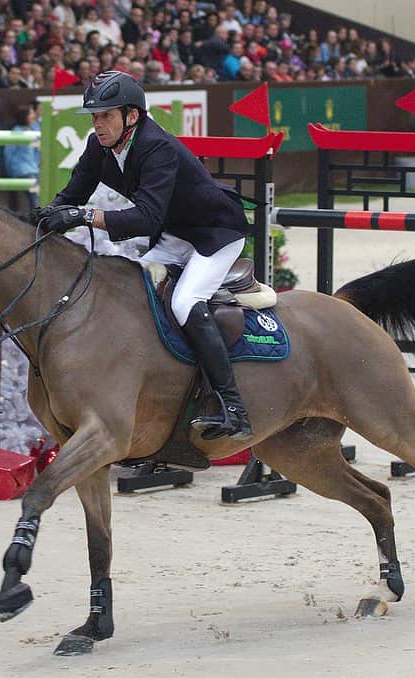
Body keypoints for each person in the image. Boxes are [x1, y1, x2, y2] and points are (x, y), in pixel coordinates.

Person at [32, 71, 253, 442]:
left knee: (184, 302)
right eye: (94, 117)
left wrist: (83, 216)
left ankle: (233, 407)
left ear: (131, 116)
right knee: (133, 292)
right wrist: (40, 221)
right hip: (175, 234)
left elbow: (144, 218)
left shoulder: (157, 148)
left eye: (106, 115)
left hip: (215, 235)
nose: (97, 124)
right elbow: (72, 195)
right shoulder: (99, 146)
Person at [3, 102, 41, 213]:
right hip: (22, 170)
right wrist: (10, 171)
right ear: (25, 116)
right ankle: (36, 221)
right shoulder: (16, 132)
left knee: (35, 199)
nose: (33, 116)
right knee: (34, 199)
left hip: (33, 169)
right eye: (31, 114)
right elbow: (8, 153)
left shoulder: (32, 130)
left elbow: (36, 152)